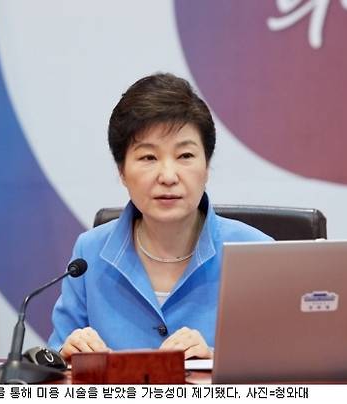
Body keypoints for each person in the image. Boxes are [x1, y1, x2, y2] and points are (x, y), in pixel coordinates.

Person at [48, 73, 272, 360]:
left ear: (207, 167)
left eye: (185, 156)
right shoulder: (88, 255)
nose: (168, 176)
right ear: (122, 172)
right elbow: (54, 358)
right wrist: (67, 355)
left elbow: (286, 363)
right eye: (148, 158)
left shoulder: (257, 252)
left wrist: (217, 360)